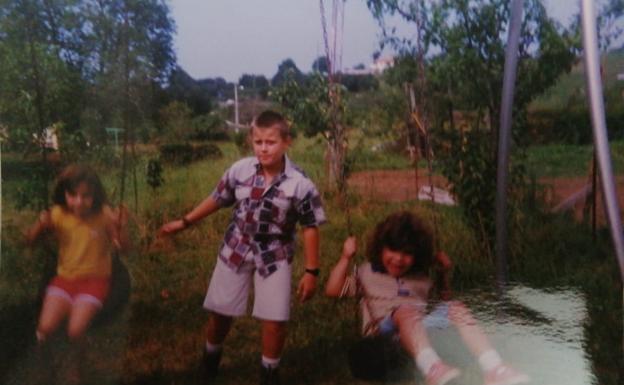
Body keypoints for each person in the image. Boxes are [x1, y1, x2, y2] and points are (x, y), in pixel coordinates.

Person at [158, 110, 326, 385]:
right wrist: (185, 221)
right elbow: (217, 198)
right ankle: (210, 360)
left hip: (275, 256)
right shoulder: (240, 170)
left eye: (270, 142)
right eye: (258, 141)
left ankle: (269, 372)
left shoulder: (301, 184)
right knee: (220, 313)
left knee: (275, 320)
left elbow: (310, 226)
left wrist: (312, 271)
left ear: (287, 142)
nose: (263, 148)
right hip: (235, 249)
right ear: (251, 141)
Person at [325, 211, 529, 385]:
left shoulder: (421, 278)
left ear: (417, 255)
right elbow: (333, 290)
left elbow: (442, 303)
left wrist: (442, 274)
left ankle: (494, 368)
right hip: (384, 333)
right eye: (393, 250)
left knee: (455, 306)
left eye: (407, 253)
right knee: (405, 310)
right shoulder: (367, 272)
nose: (398, 258)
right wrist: (345, 257)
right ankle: (433, 368)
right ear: (381, 248)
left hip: (419, 330)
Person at [24, 164, 130, 383]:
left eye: (86, 196)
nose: (79, 202)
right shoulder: (58, 214)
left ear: (95, 195)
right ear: (65, 193)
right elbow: (30, 241)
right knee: (44, 330)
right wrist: (39, 226)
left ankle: (76, 369)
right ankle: (48, 366)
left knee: (75, 330)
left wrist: (121, 228)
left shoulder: (104, 215)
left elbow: (123, 247)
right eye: (73, 195)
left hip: (95, 283)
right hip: (63, 281)